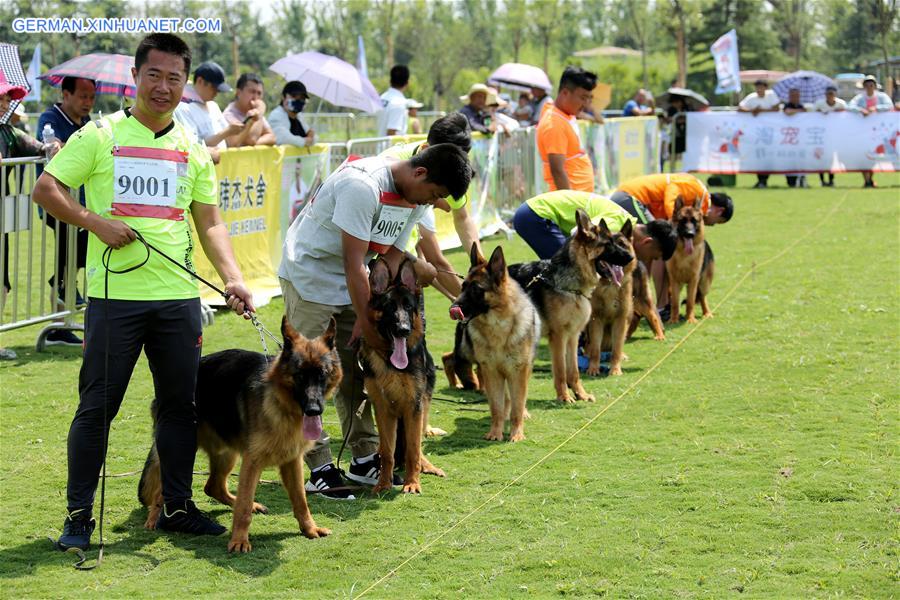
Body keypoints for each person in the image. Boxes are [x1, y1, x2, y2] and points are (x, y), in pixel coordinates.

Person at [32, 33, 255, 551]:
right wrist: (95, 222)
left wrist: (233, 277)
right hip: (115, 301)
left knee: (181, 408)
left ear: (185, 84)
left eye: (174, 78)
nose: (163, 86)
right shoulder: (101, 135)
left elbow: (211, 223)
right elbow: (46, 188)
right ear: (136, 77)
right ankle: (78, 518)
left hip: (178, 300)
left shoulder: (193, 149)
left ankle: (177, 506)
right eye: (153, 75)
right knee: (96, 409)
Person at [278, 143, 471, 499]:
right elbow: (354, 262)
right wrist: (367, 324)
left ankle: (365, 457)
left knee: (358, 372)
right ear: (420, 173)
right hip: (311, 278)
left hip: (357, 283)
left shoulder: (414, 199)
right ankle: (318, 465)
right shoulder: (363, 185)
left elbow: (393, 252)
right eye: (435, 194)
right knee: (310, 372)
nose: (433, 203)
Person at [380, 112, 480, 299]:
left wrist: (479, 260)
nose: (436, 202)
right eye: (435, 195)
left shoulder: (444, 178)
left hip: (402, 261)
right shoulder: (391, 173)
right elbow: (435, 262)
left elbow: (462, 217)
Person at [1, 76, 62, 360]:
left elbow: (38, 148)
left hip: (2, 216)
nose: (3, 104)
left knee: (2, 280)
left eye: (5, 98)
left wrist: (51, 147)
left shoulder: (8, 133)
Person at [36, 76, 96, 345]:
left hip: (81, 202)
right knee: (70, 253)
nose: (88, 102)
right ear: (66, 94)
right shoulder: (51, 117)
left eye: (91, 97)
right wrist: (55, 145)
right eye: (83, 96)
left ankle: (60, 319)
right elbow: (49, 144)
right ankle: (62, 290)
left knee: (76, 255)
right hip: (57, 200)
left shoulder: (88, 121)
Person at [513, 190, 677, 263]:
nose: (648, 261)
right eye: (653, 257)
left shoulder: (625, 222)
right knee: (568, 270)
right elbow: (577, 233)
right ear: (647, 242)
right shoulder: (616, 225)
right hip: (535, 215)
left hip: (533, 213)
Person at [536, 66, 598, 193]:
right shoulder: (554, 124)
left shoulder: (564, 114)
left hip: (580, 198)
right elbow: (557, 170)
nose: (586, 104)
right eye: (583, 98)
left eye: (589, 98)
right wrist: (573, 206)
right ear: (565, 93)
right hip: (572, 205)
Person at [173, 61, 242, 162]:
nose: (217, 93)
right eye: (214, 88)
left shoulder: (213, 106)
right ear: (200, 81)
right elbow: (194, 146)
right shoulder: (184, 107)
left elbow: (230, 142)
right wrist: (226, 132)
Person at [849, 75, 893, 188]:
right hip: (863, 132)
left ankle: (870, 179)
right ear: (864, 86)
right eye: (867, 85)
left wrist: (876, 108)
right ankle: (867, 180)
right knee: (863, 155)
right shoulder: (859, 98)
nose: (869, 87)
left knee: (873, 156)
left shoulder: (881, 97)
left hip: (878, 133)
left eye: (871, 85)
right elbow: (850, 106)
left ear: (874, 86)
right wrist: (861, 110)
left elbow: (889, 105)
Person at [738, 80, 781, 189]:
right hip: (757, 134)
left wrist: (761, 110)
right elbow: (741, 108)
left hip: (771, 133)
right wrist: (752, 110)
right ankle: (761, 180)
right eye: (757, 87)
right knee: (758, 157)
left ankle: (764, 179)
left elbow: (776, 108)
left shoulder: (771, 96)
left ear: (766, 88)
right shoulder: (751, 97)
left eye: (761, 87)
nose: (759, 90)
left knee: (768, 157)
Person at [223, 73, 276, 147]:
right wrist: (260, 111)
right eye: (252, 92)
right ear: (238, 93)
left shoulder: (254, 111)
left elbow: (272, 137)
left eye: (259, 93)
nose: (255, 97)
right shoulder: (229, 115)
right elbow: (251, 139)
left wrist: (252, 144)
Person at [812, 86, 846, 187]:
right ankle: (822, 180)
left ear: (835, 95)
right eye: (828, 94)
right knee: (821, 158)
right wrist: (820, 113)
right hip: (821, 135)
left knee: (831, 158)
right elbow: (811, 115)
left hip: (834, 135)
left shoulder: (841, 104)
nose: (830, 96)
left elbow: (846, 115)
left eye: (832, 93)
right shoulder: (819, 104)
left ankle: (831, 179)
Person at [268, 80, 316, 147]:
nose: (298, 100)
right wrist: (306, 141)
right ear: (283, 97)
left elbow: (313, 136)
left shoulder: (299, 117)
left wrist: (311, 136)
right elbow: (284, 138)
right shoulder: (276, 116)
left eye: (302, 98)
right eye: (294, 96)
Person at [782, 88, 808, 188]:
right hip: (788, 140)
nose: (795, 97)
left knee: (801, 160)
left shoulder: (801, 105)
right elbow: (787, 112)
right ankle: (791, 181)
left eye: (797, 95)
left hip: (799, 139)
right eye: (793, 95)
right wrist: (798, 111)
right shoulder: (787, 105)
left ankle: (802, 179)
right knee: (789, 161)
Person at [377, 65, 409, 137]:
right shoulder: (398, 103)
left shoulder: (382, 97)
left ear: (390, 81)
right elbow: (391, 133)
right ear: (407, 83)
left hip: (380, 146)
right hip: (391, 147)